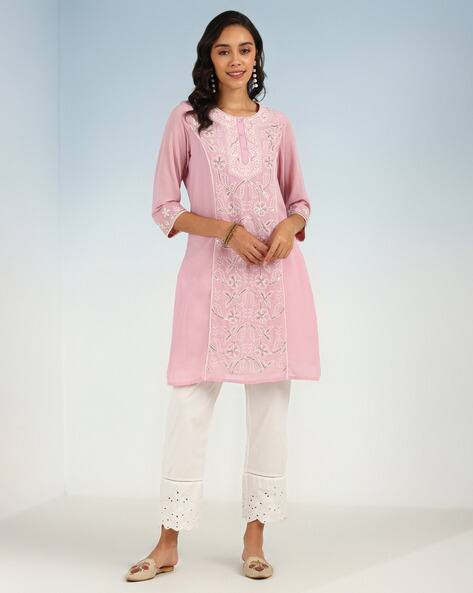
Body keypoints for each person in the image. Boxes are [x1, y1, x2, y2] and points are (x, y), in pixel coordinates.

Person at [126, 9, 321, 582]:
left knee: (270, 411)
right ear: (208, 58)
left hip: (274, 284)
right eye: (223, 50)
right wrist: (227, 232)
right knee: (188, 407)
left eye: (245, 49)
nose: (235, 60)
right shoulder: (188, 121)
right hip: (209, 283)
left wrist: (288, 227)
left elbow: (300, 201)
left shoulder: (278, 126)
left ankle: (254, 537)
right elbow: (165, 208)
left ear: (257, 57)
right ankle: (168, 542)